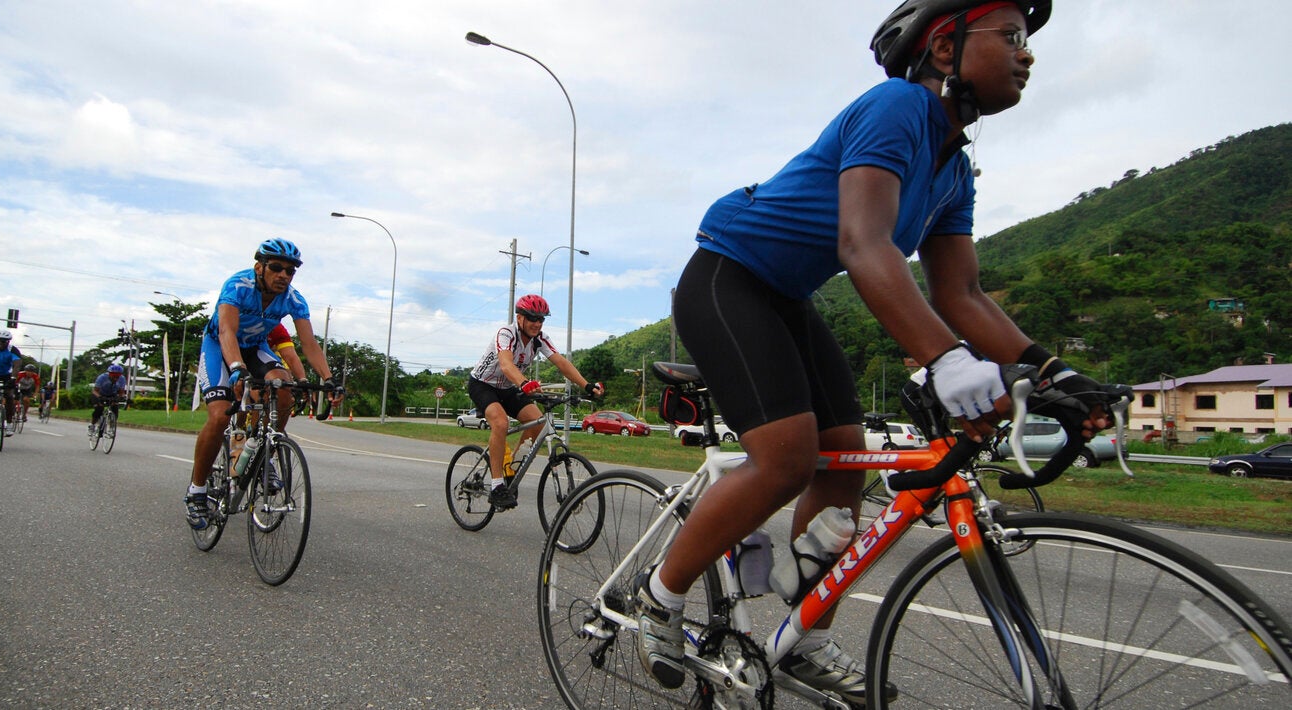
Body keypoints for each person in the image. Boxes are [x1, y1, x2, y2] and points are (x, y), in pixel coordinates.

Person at [633, 2, 1110, 705]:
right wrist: (946, 361)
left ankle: (803, 639)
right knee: (788, 459)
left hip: (788, 297)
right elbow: (863, 243)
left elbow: (963, 294)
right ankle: (661, 593)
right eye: (1010, 36)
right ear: (944, 50)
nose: (1026, 54)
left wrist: (1054, 371)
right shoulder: (897, 107)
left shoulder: (954, 171)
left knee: (843, 462)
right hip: (728, 278)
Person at [184, 238, 341, 530]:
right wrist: (237, 369)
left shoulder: (294, 299)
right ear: (260, 267)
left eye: (290, 271)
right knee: (219, 416)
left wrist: (329, 379)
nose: (284, 275)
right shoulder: (238, 286)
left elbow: (308, 343)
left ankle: (263, 451)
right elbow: (227, 331)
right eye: (277, 268)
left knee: (284, 390)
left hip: (255, 347)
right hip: (220, 347)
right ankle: (197, 490)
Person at [466, 295, 603, 510]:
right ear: (519, 317)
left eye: (541, 319)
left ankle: (511, 469)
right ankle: (496, 486)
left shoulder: (540, 338)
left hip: (508, 388)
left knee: (538, 423)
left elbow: (561, 363)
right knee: (501, 423)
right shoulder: (506, 333)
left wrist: (586, 386)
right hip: (483, 385)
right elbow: (506, 364)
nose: (537, 323)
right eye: (532, 318)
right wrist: (524, 383)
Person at [89, 364, 128, 433]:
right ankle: (92, 425)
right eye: (113, 375)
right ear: (109, 374)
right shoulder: (102, 377)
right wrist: (100, 397)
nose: (115, 377)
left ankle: (112, 427)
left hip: (112, 394)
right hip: (99, 394)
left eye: (118, 376)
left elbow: (121, 392)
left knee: (115, 409)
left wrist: (122, 397)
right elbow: (95, 391)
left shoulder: (122, 379)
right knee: (99, 409)